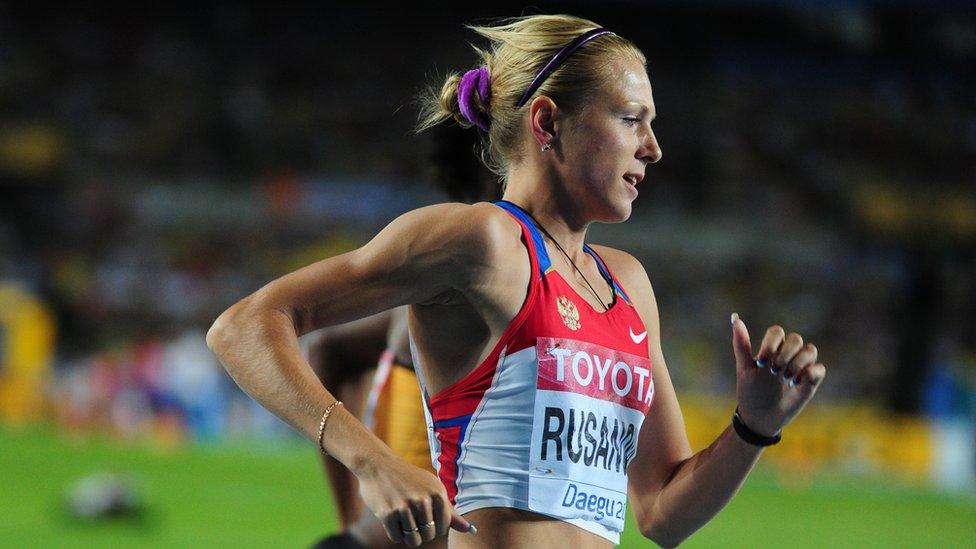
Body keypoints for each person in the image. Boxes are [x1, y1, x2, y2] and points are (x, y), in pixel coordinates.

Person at [207, 14, 827, 548]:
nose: (654, 148)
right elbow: (244, 327)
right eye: (632, 119)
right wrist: (370, 459)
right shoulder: (483, 242)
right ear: (548, 121)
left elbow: (662, 514)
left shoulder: (630, 284)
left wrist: (754, 425)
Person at [308, 123, 499, 549]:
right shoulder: (475, 289)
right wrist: (368, 471)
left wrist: (353, 507)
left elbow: (327, 350)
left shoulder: (437, 291)